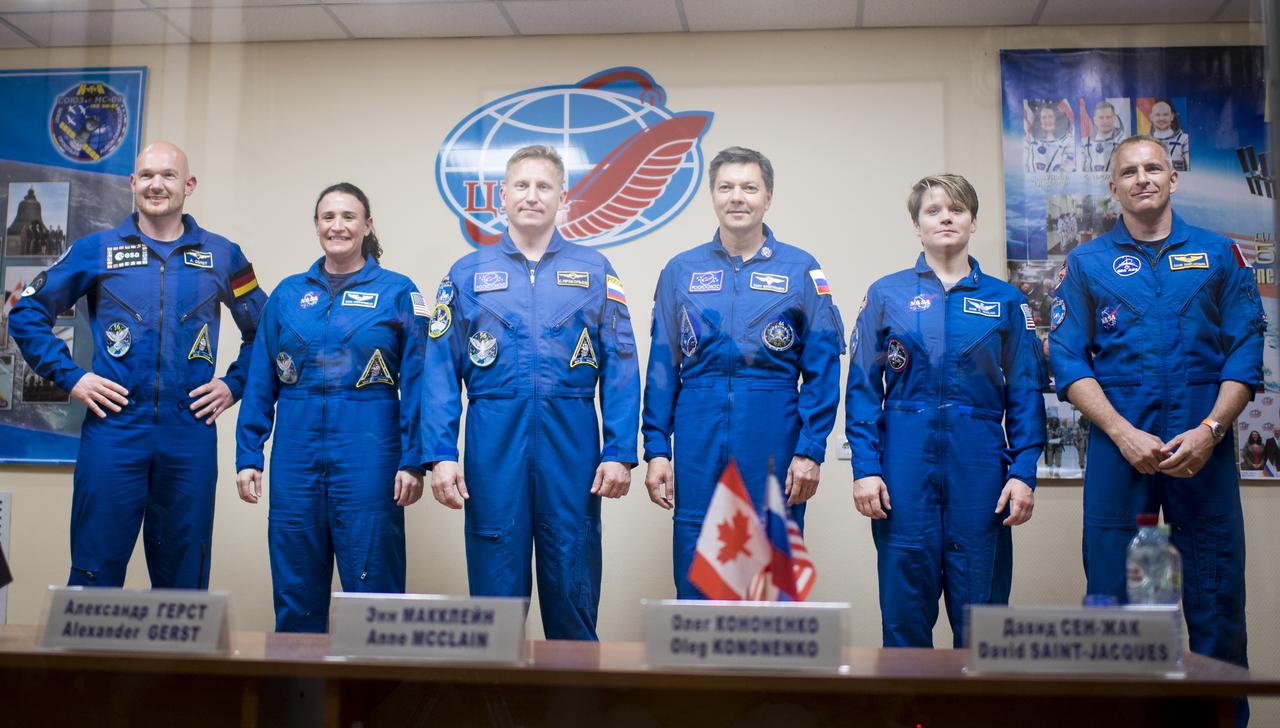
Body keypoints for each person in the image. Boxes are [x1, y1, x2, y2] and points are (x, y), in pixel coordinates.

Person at [1049, 135, 1262, 726]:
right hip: (1123, 454)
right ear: (1112, 187)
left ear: (1174, 178)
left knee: (1217, 603)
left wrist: (1212, 430)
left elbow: (1245, 352)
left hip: (1204, 452)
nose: (1142, 178)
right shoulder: (1087, 264)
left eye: (1154, 168)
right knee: (1114, 611)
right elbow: (1068, 360)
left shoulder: (1221, 256)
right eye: (1129, 171)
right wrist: (1121, 434)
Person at [9, 141, 266, 588]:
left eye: (168, 175)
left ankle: (178, 661)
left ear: (188, 185)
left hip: (188, 435)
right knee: (94, 573)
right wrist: (72, 377)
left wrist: (234, 384)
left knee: (184, 582)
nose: (156, 184)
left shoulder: (224, 255)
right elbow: (26, 313)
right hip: (115, 431)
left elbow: (264, 332)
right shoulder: (96, 250)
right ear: (132, 184)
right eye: (146, 175)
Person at [424, 145, 640, 641]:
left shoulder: (595, 269)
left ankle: (576, 704)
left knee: (573, 582)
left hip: (573, 443)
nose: (532, 195)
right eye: (521, 185)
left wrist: (620, 452)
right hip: (492, 441)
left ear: (564, 197)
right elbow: (439, 371)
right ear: (502, 196)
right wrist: (439, 453)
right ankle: (498, 711)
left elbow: (623, 365)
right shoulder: (466, 273)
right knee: (495, 609)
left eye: (544, 186)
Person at [847, 173, 1046, 648]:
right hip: (903, 467)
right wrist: (865, 468)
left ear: (973, 220)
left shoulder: (1005, 300)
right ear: (917, 225)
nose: (946, 218)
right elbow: (861, 388)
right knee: (903, 621)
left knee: (983, 627)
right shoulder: (885, 295)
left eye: (956, 209)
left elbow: (1025, 392)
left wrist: (1023, 473)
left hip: (979, 467)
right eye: (933, 210)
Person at [642, 146, 845, 598]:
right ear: (712, 196)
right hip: (697, 434)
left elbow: (823, 367)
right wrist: (657, 449)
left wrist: (811, 449)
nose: (738, 197)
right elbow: (662, 369)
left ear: (768, 196)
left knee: (771, 576)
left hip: (773, 434)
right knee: (699, 568)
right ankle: (696, 669)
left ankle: (773, 670)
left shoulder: (801, 269)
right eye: (726, 187)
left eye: (749, 187)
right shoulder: (680, 271)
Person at [235, 183, 426, 632]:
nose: (337, 226)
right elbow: (262, 378)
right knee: (295, 586)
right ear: (316, 224)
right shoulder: (287, 295)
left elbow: (419, 382)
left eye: (348, 216)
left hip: (370, 451)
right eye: (327, 217)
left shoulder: (398, 292)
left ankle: (378, 699)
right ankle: (299, 698)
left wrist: (414, 458)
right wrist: (249, 454)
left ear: (367, 225)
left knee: (373, 587)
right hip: (296, 457)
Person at [1025, 103, 1075, 173]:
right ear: (1040, 121)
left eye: (1051, 117)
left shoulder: (1066, 141)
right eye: (1044, 117)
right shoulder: (1030, 139)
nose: (1047, 120)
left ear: (1055, 119)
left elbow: (1069, 165)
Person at [1079, 100, 1125, 172]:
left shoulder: (1124, 143)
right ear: (1095, 120)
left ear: (1114, 119)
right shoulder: (1084, 144)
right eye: (1101, 117)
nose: (1105, 121)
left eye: (1108, 117)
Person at [1149, 99, 1189, 171]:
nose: (1161, 118)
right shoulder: (1145, 141)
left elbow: (1189, 168)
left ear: (1172, 117)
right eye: (1157, 115)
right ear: (1151, 117)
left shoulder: (1183, 139)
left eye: (1165, 114)